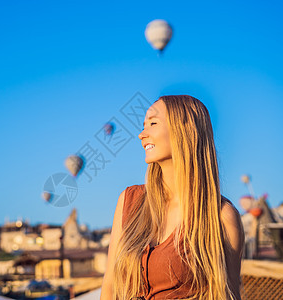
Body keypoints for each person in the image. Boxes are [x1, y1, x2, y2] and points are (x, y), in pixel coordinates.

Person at [100, 95, 245, 300]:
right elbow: (110, 287)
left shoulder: (220, 216)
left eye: (153, 123)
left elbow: (227, 294)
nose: (142, 134)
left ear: (185, 129)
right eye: (143, 125)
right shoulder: (129, 200)